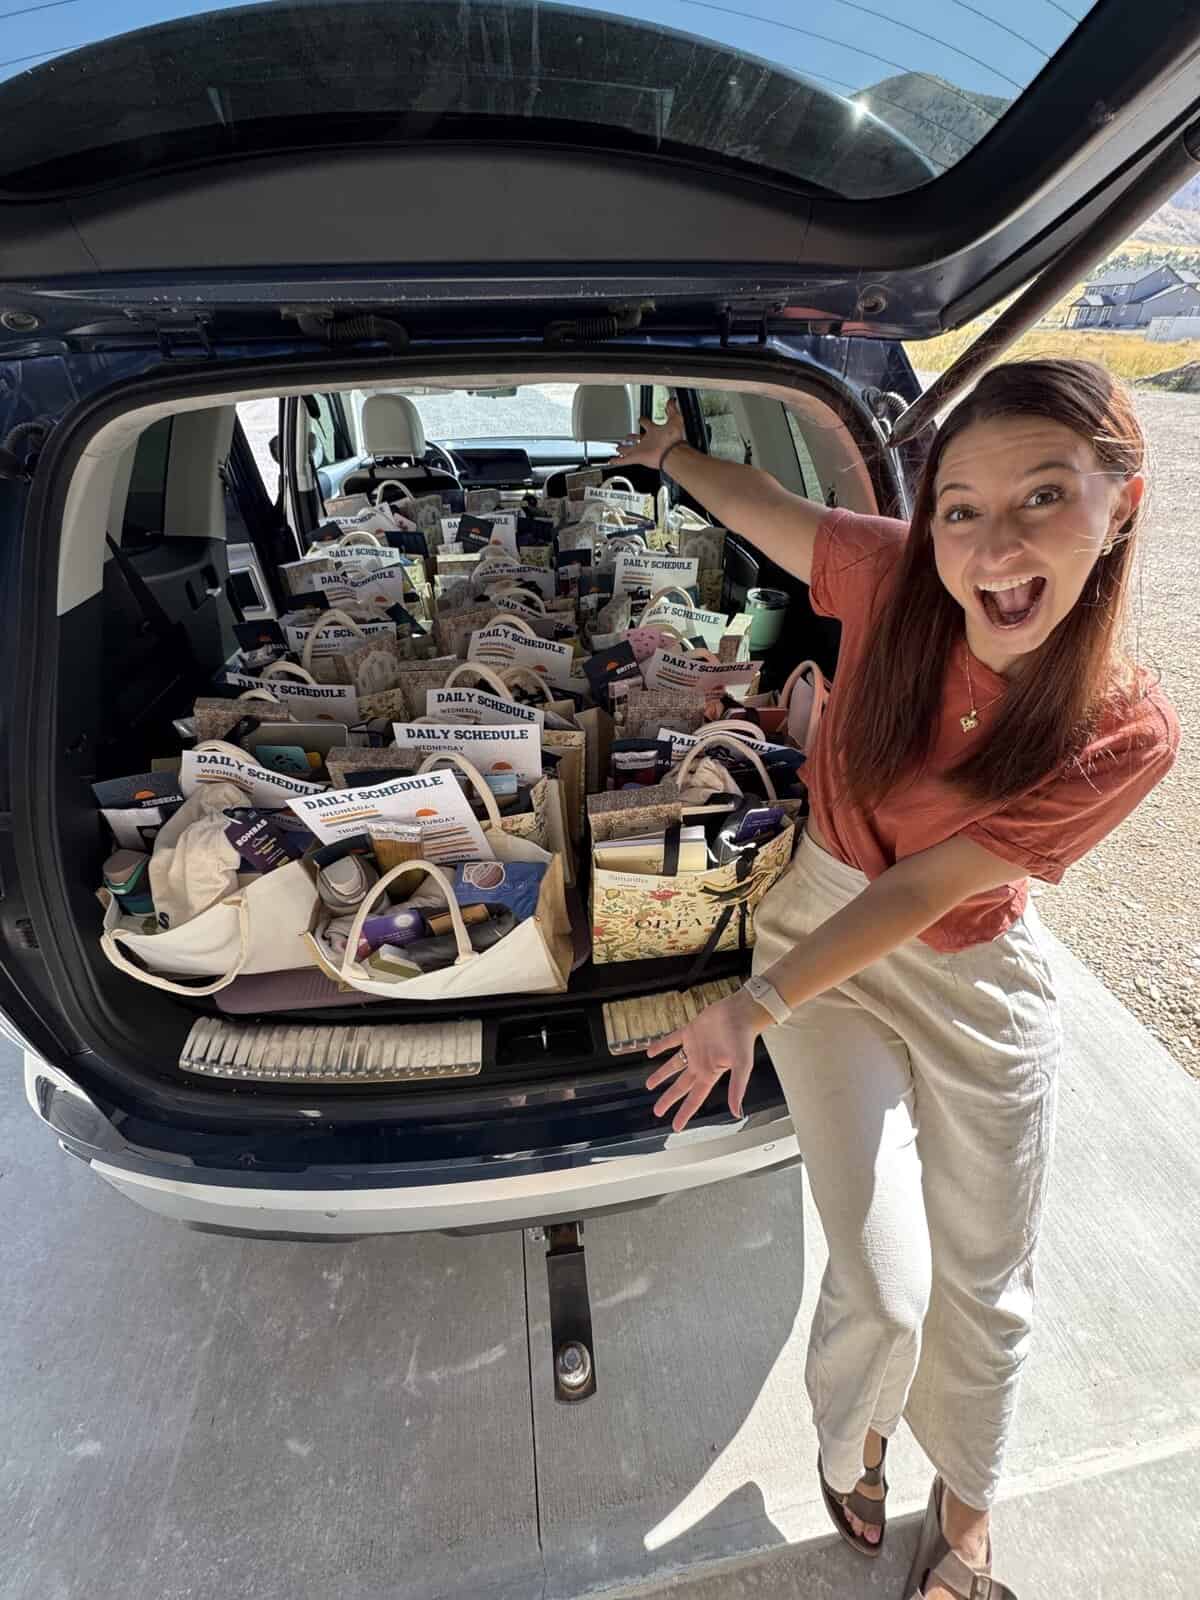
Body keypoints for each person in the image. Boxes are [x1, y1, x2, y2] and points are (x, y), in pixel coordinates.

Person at [610, 360, 1178, 1600]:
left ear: (1121, 505)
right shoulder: (891, 573)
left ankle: (969, 1511)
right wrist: (669, 461)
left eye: (1046, 495)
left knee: (989, 1273)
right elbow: (760, 502)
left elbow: (929, 891)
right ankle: (852, 1432)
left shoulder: (1125, 729)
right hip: (824, 928)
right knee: (884, 1277)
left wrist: (746, 1012)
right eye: (960, 507)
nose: (994, 547)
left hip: (975, 960)